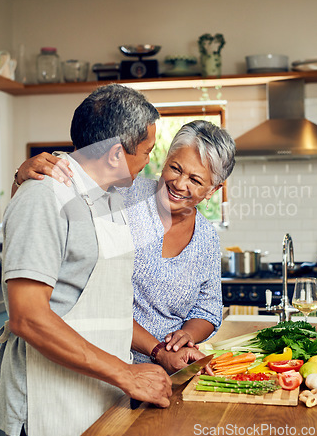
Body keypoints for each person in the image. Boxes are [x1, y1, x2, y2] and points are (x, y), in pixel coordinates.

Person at [0, 84, 206, 436]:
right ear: (114, 154)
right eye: (146, 152)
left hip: (95, 397)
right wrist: (125, 373)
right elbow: (27, 318)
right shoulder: (44, 195)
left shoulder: (111, 196)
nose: (150, 163)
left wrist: (154, 352)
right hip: (43, 405)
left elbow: (108, 308)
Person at [14, 119, 236, 365]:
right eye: (176, 168)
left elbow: (207, 308)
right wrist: (22, 176)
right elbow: (48, 203)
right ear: (164, 160)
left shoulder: (206, 237)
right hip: (100, 361)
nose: (180, 184)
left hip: (171, 368)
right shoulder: (123, 192)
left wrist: (184, 339)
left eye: (195, 180)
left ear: (212, 191)